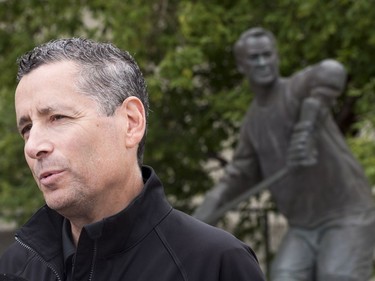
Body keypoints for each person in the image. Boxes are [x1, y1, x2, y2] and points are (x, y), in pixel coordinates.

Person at [0, 38, 266, 281]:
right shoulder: (13, 269)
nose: (34, 146)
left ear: (130, 122)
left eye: (57, 118)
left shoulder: (214, 264)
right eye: (26, 129)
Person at [193, 27, 375, 281]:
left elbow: (332, 70)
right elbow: (234, 179)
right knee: (284, 276)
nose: (263, 62)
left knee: (337, 274)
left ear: (277, 57)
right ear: (242, 66)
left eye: (267, 55)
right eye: (254, 58)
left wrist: (307, 127)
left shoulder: (297, 89)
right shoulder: (253, 124)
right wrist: (190, 226)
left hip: (347, 215)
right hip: (303, 226)